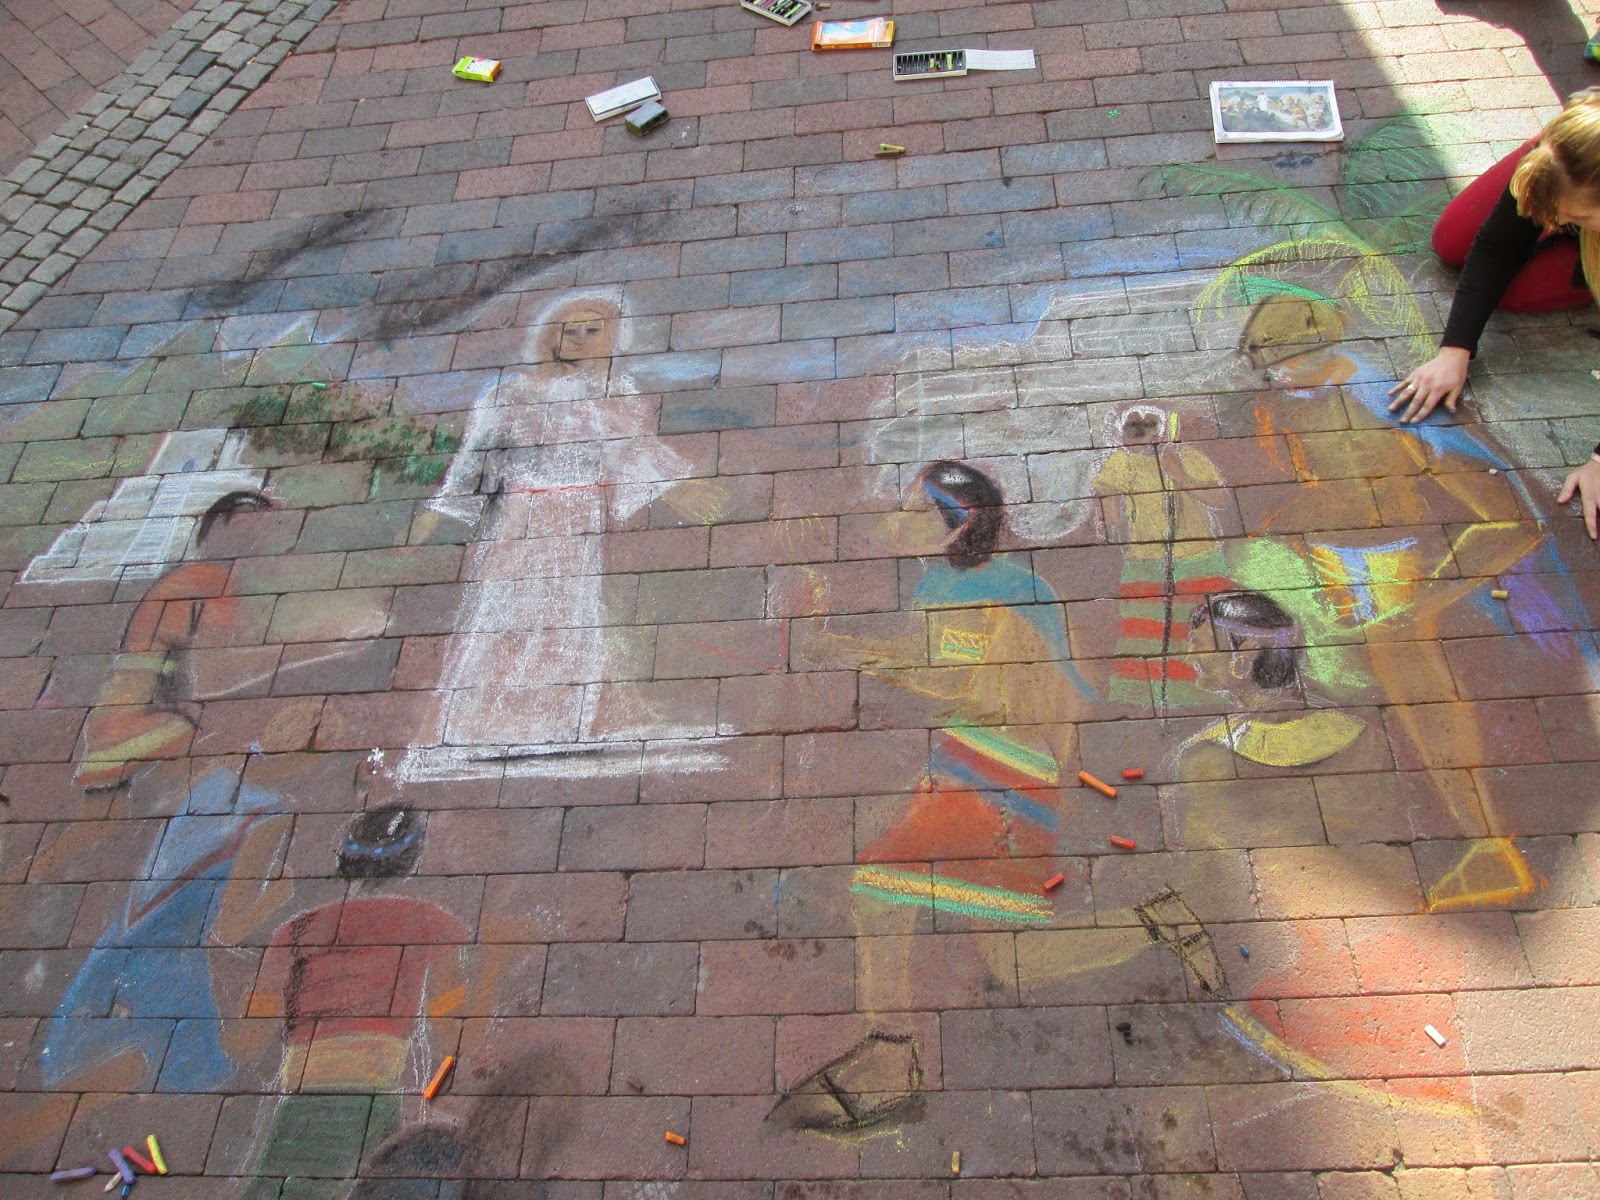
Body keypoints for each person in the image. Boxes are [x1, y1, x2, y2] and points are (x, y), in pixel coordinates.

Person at [1389, 90, 1600, 534]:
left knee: (1516, 292)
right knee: (1453, 241)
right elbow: (1497, 246)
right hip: (1576, 164)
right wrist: (1456, 348)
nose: (1555, 219)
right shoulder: (1563, 153)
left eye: (1575, 217)